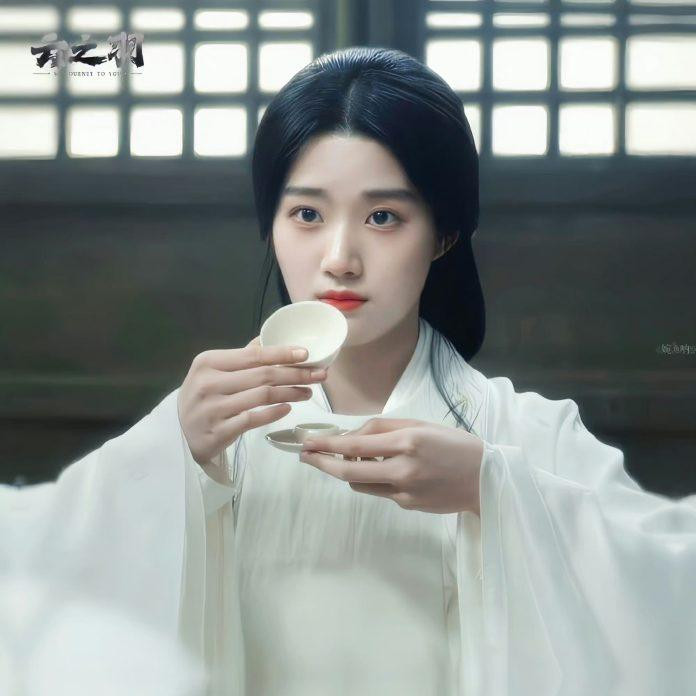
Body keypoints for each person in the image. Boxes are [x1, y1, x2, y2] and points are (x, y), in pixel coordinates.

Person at [4, 46, 696, 696]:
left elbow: (672, 582)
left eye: (384, 216)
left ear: (444, 234)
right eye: (307, 213)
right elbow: (35, 556)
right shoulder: (209, 433)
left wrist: (491, 487)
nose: (340, 257)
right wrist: (166, 459)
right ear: (271, 226)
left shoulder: (529, 435)